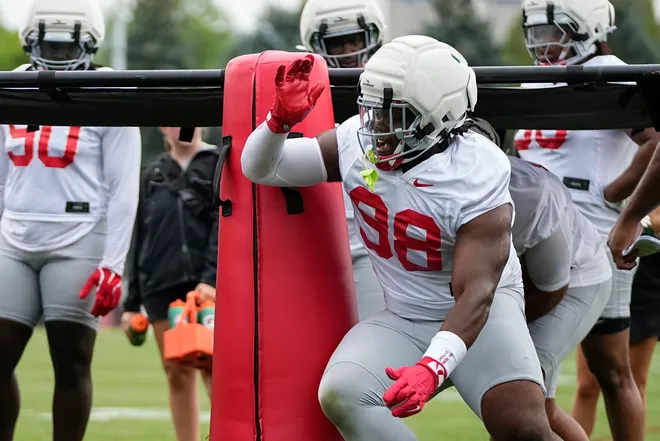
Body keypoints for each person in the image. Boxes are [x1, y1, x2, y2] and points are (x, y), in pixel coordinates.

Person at [241, 36, 560, 441]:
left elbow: (476, 292)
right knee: (343, 392)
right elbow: (264, 169)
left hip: (483, 316)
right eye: (373, 111)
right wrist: (277, 123)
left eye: (394, 116)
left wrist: (433, 366)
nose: (376, 128)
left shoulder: (474, 171)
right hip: (405, 316)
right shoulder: (355, 142)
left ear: (438, 119)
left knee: (523, 429)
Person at [515, 2, 660, 440]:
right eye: (537, 33)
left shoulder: (609, 71)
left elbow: (655, 139)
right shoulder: (535, 77)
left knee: (611, 371)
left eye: (555, 31)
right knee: (528, 373)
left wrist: (622, 200)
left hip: (593, 234)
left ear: (588, 29)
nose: (544, 43)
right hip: (532, 236)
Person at [0, 1, 141, 440]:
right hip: (13, 236)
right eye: (49, 45)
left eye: (67, 47)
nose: (57, 56)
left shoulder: (108, 90)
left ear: (88, 43)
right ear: (31, 41)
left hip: (79, 238)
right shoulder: (9, 87)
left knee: (72, 359)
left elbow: (123, 189)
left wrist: (114, 263)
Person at [469, 119, 611, 441]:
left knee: (517, 399)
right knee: (539, 409)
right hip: (536, 280)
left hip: (575, 279)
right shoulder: (440, 186)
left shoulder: (530, 193)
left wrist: (492, 328)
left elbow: (552, 288)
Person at [122, 127, 218, 441]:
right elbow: (139, 237)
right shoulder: (151, 173)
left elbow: (226, 225)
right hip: (160, 285)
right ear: (164, 127)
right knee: (176, 373)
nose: (184, 126)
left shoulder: (218, 163)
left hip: (209, 287)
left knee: (214, 369)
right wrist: (131, 303)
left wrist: (211, 278)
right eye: (176, 120)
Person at [298, 0, 386, 319]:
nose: (348, 51)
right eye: (337, 42)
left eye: (355, 40)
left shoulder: (396, 88)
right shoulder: (300, 95)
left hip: (385, 234)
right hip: (322, 237)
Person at [573, 207, 660, 437]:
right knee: (586, 385)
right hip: (604, 270)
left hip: (646, 289)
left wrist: (635, 217)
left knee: (631, 381)